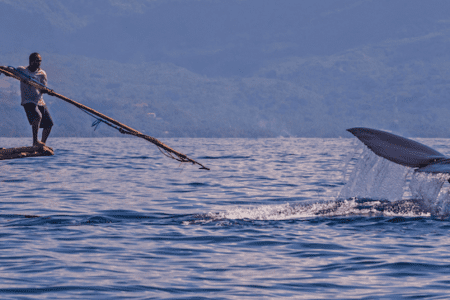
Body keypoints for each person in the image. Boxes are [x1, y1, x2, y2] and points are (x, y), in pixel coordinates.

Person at [18, 53, 54, 147]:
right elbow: (9, 70)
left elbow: (43, 88)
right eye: (37, 60)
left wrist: (48, 91)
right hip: (28, 101)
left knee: (49, 124)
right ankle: (35, 142)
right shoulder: (22, 70)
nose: (39, 63)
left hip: (39, 101)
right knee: (37, 116)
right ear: (31, 61)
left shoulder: (42, 74)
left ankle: (42, 144)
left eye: (40, 61)